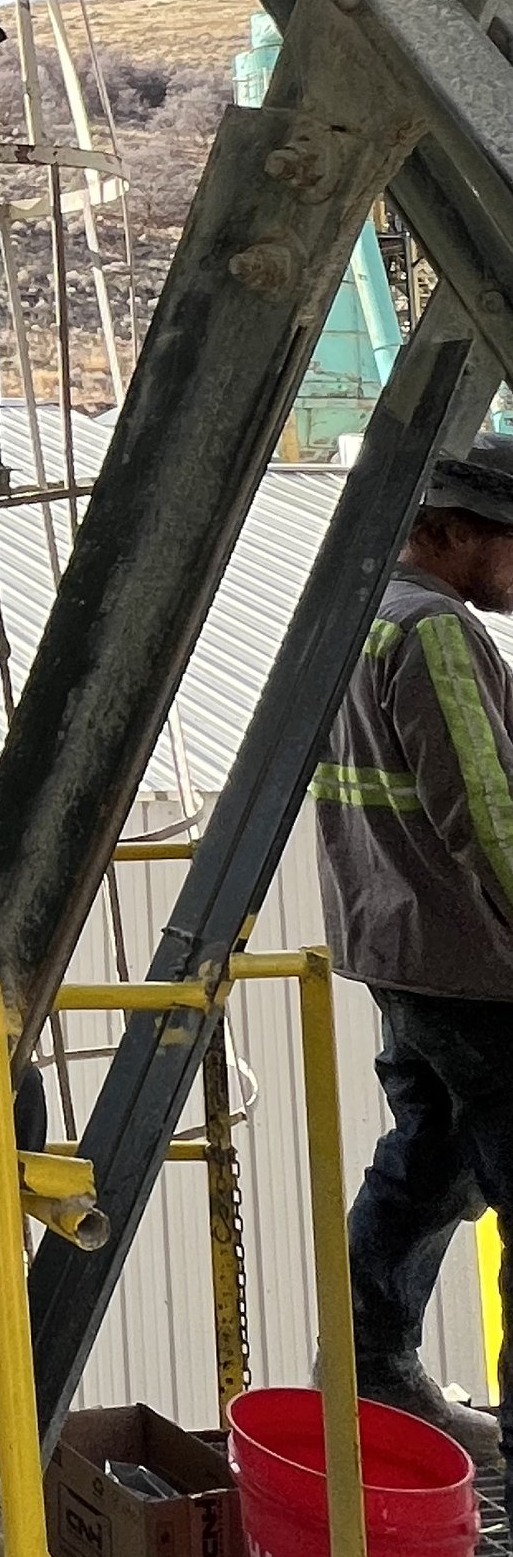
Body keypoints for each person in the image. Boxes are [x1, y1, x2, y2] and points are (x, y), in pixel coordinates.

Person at [316, 433, 513, 1469]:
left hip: (398, 950)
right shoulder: (434, 631)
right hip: (477, 965)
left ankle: (369, 1371)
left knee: (430, 1161)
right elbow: (485, 813)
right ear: (446, 531)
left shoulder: (359, 617)